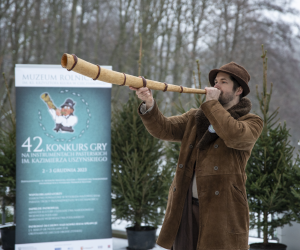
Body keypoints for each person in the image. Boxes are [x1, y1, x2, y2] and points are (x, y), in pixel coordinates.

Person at [129, 62, 263, 250]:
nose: (216, 86)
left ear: (239, 89)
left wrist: (211, 104)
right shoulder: (196, 117)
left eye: (223, 82)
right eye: (215, 81)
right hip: (185, 207)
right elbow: (164, 129)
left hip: (222, 212)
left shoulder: (251, 121)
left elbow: (234, 135)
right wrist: (149, 103)